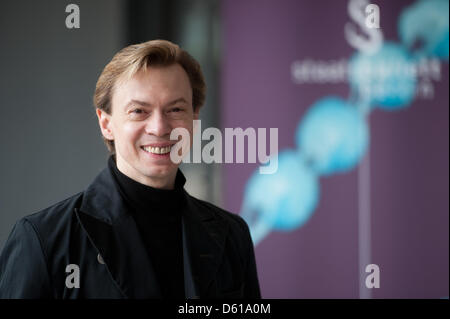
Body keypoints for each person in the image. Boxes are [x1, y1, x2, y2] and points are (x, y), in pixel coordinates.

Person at [0, 40, 261, 299]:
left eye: (176, 109)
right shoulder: (42, 240)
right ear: (106, 124)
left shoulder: (232, 234)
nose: (159, 128)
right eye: (139, 111)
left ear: (194, 118)